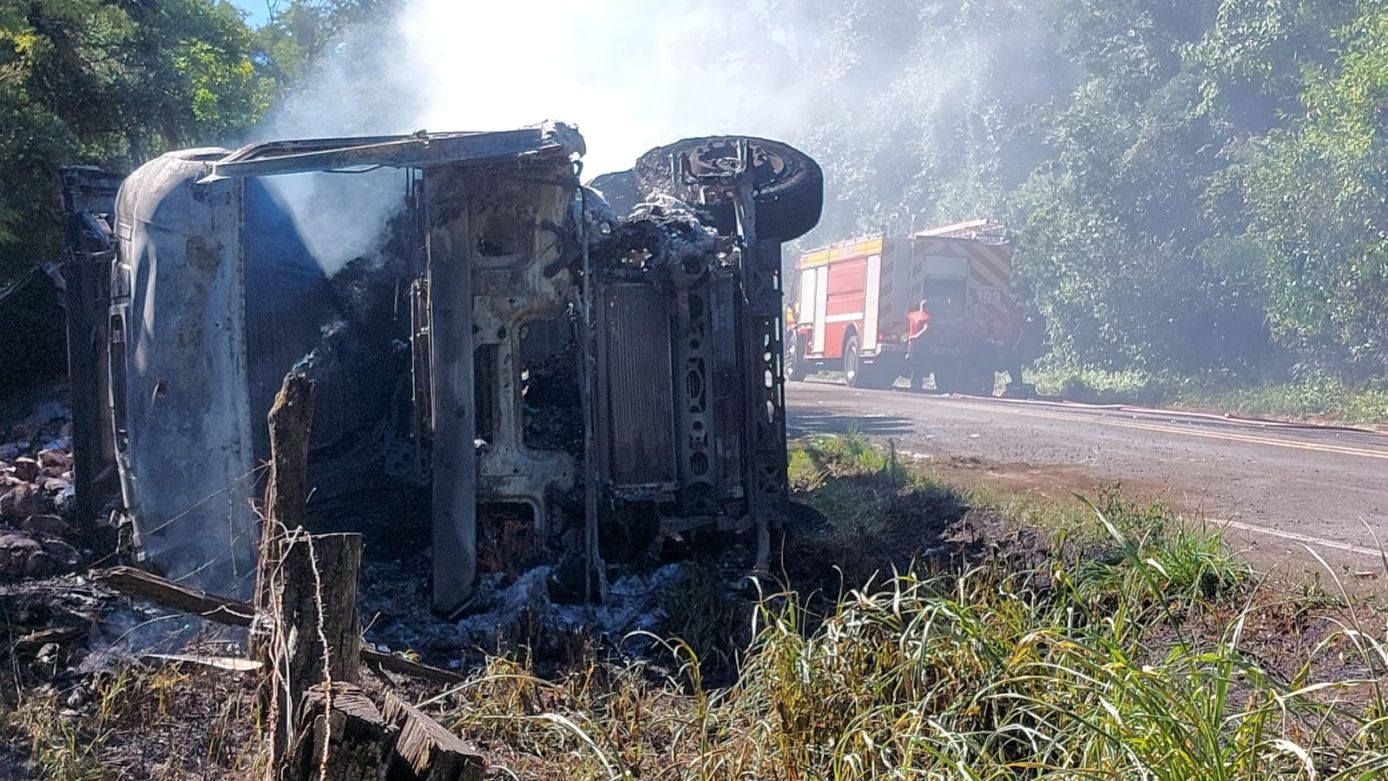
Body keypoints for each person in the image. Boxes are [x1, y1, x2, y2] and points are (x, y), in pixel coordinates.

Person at [905, 299, 931, 391]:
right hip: (921, 344)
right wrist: (917, 336)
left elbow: (907, 318)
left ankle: (912, 384)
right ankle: (917, 384)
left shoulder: (912, 315)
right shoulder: (926, 317)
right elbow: (926, 329)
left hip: (911, 343)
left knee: (913, 363)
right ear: (926, 307)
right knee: (919, 364)